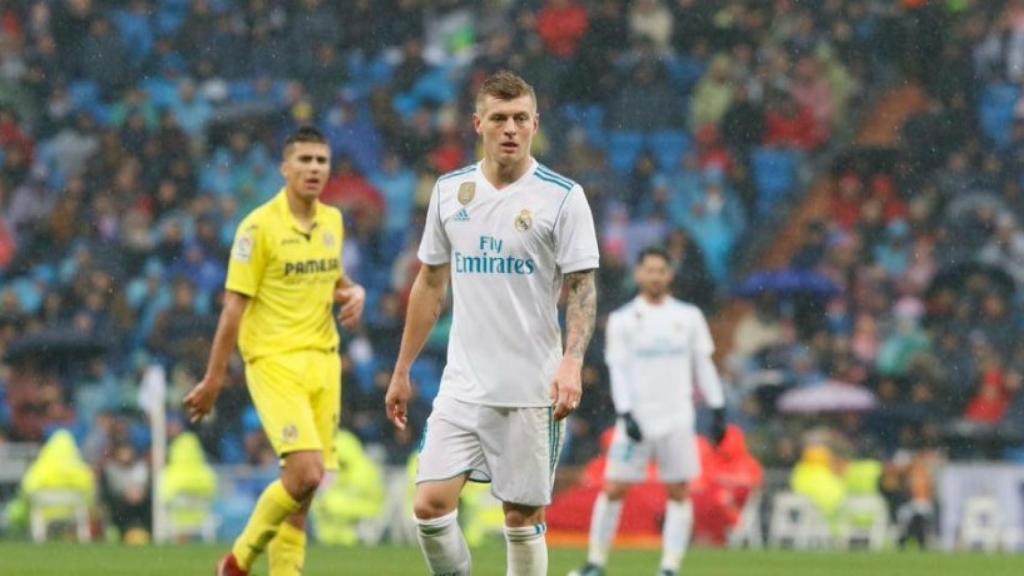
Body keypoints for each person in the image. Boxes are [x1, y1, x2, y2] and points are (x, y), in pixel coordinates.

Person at [385, 70, 599, 576]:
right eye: (499, 118)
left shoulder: (563, 197)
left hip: (530, 387)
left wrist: (571, 363)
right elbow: (430, 285)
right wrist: (402, 369)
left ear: (535, 124)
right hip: (462, 385)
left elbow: (583, 289)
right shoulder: (449, 192)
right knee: (430, 507)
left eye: (520, 118)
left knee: (521, 518)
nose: (510, 128)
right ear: (478, 123)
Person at [183, 126, 366, 576]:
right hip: (274, 361)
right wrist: (214, 377)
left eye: (321, 161)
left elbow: (331, 277)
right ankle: (237, 563)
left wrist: (353, 290)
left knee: (301, 496)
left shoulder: (333, 222)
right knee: (306, 473)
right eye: (304, 160)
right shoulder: (257, 228)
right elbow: (232, 310)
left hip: (323, 361)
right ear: (285, 169)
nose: (314, 169)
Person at [571, 247, 726, 576]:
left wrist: (718, 408)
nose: (655, 276)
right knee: (614, 488)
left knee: (679, 491)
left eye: (661, 270)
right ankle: (595, 562)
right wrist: (626, 413)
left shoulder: (688, 317)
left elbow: (703, 365)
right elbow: (619, 369)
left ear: (670, 275)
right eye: (649, 270)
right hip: (638, 417)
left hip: (677, 417)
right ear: (638, 274)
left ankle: (669, 566)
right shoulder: (623, 320)